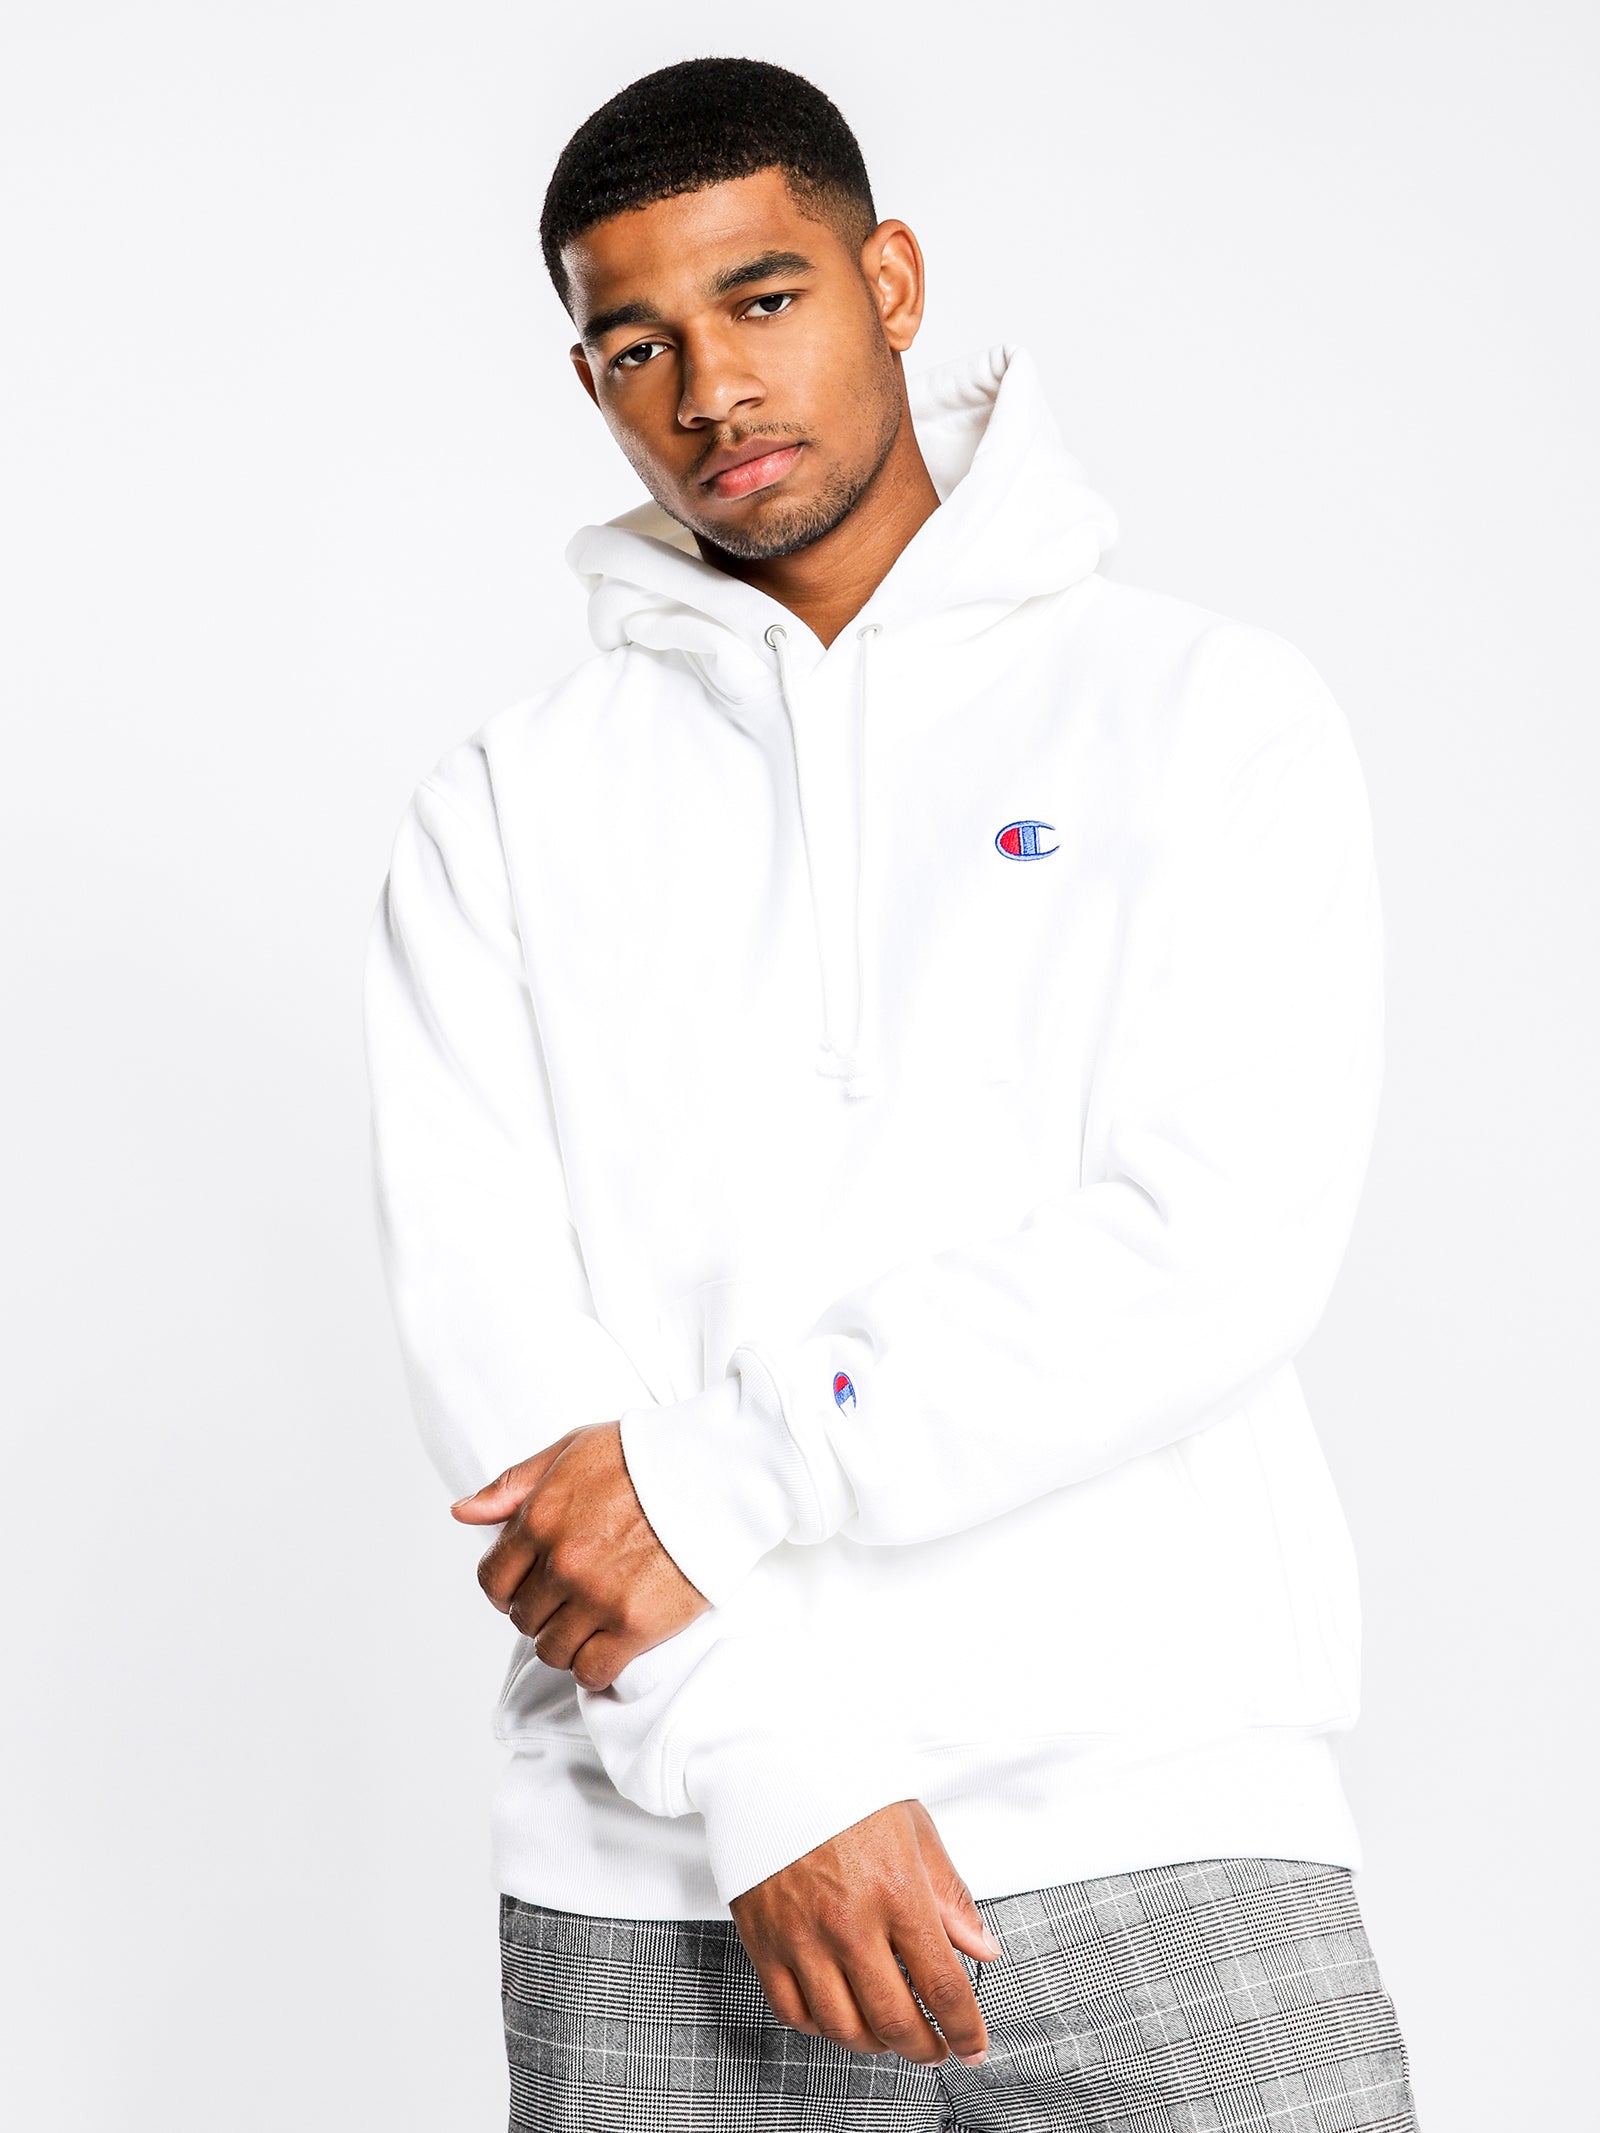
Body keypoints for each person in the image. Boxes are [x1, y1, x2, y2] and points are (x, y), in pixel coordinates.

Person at [363, 54, 1422, 2133]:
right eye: (637, 345)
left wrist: (731, 1463)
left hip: (1161, 1816)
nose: (710, 391)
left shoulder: (1201, 711)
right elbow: (501, 1371)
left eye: (762, 300)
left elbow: (1214, 1244)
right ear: (587, 378)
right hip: (662, 1860)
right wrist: (769, 1766)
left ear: (893, 283)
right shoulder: (505, 806)